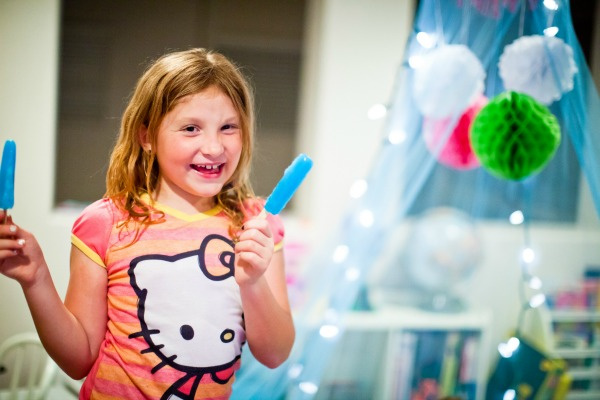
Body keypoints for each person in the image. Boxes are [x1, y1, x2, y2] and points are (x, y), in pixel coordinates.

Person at [0, 48, 295, 399]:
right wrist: (36, 280)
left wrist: (253, 284)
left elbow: (275, 354)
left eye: (228, 127)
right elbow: (78, 360)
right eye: (191, 128)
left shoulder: (257, 226)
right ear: (147, 137)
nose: (214, 147)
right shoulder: (105, 223)